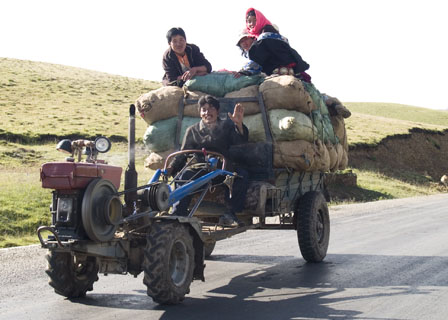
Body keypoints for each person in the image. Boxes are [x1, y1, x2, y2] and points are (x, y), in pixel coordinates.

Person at [169, 95, 249, 227]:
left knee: (241, 176)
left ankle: (230, 214)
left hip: (223, 170)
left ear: (217, 111)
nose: (208, 112)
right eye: (204, 109)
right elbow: (183, 154)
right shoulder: (192, 131)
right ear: (200, 113)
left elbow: (241, 143)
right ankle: (178, 214)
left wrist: (239, 125)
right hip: (200, 170)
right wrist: (170, 168)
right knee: (183, 176)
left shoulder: (227, 127)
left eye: (211, 108)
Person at [244, 8, 311, 82]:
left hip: (280, 72)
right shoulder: (267, 33)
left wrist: (244, 71)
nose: (252, 24)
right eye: (249, 22)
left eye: (255, 20)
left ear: (260, 19)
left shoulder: (265, 34)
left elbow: (258, 57)